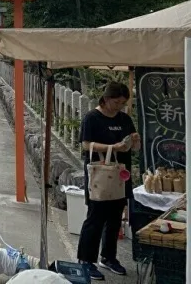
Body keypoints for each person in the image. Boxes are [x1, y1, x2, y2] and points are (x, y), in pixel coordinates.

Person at [77, 81, 138, 280]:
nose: (119, 106)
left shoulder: (125, 118)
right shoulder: (92, 118)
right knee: (95, 216)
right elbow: (86, 145)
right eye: (116, 102)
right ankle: (86, 260)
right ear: (106, 99)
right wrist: (113, 147)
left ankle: (109, 257)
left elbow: (132, 146)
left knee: (115, 217)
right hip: (100, 174)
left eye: (122, 103)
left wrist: (133, 141)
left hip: (121, 173)